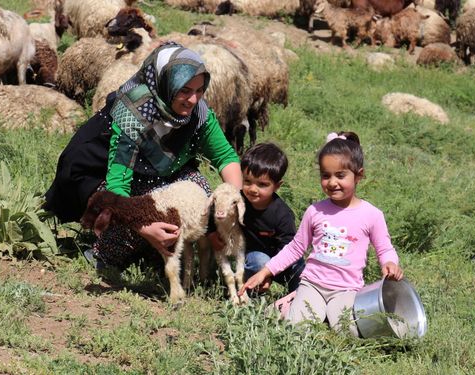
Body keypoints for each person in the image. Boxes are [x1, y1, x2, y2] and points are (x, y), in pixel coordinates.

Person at [44, 41, 242, 271]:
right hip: (94, 174)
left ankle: (152, 253)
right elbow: (118, 187)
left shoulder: (197, 114)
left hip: (149, 173)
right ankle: (104, 256)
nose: (193, 100)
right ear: (166, 84)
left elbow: (226, 157)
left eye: (199, 91)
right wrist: (146, 227)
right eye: (185, 91)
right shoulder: (134, 112)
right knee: (155, 205)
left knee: (198, 189)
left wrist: (233, 200)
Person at [238, 131, 404, 336]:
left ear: (359, 175)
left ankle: (307, 307)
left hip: (347, 290)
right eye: (326, 176)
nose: (332, 182)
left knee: (347, 330)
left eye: (340, 175)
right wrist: (266, 271)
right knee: (297, 329)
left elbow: (385, 247)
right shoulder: (315, 211)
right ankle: (295, 305)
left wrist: (390, 263)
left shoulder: (371, 215)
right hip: (311, 285)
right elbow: (295, 248)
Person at [222, 142, 305, 294]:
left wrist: (270, 273)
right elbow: (217, 208)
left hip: (282, 257)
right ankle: (252, 293)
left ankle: (297, 297)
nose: (253, 189)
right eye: (247, 181)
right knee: (258, 260)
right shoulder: (238, 200)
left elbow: (289, 246)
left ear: (277, 185)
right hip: (256, 254)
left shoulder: (282, 214)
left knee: (300, 267)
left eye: (262, 184)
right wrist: (214, 233)